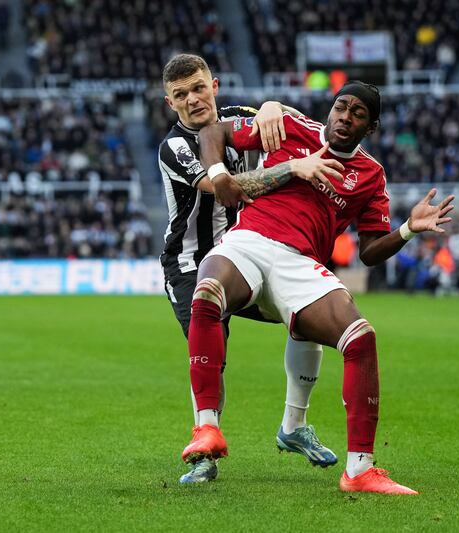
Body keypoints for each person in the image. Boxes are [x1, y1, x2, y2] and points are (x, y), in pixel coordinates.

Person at [190, 80, 455, 494]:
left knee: (361, 338)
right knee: (206, 292)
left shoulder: (370, 175)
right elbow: (214, 131)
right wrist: (220, 173)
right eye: (341, 106)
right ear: (331, 109)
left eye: (358, 114)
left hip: (301, 265)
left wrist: (407, 230)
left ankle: (360, 470)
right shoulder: (290, 125)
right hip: (249, 241)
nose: (345, 116)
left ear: (371, 128)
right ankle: (206, 428)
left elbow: (369, 251)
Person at [158, 54, 344, 483]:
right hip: (191, 265)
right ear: (171, 104)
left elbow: (300, 127)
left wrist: (275, 105)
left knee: (305, 317)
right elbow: (224, 190)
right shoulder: (176, 147)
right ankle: (205, 453)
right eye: (181, 95)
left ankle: (293, 428)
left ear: (215, 86)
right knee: (210, 350)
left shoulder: (240, 119)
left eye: (198, 88)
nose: (192, 100)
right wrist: (293, 167)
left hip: (250, 252)